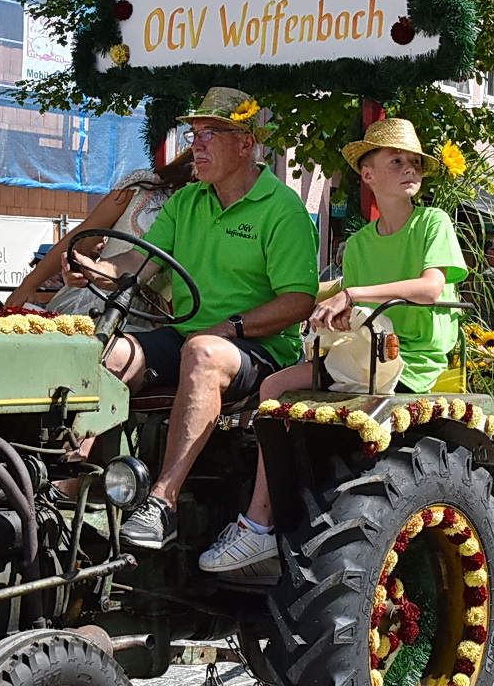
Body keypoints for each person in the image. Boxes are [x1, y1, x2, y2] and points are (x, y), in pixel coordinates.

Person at [199, 117, 468, 580]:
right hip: (365, 354)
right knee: (274, 386)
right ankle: (260, 521)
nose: (410, 170)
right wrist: (320, 303)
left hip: (410, 357)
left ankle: (288, 515)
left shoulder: (432, 223)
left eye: (415, 163)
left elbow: (429, 287)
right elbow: (348, 302)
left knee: (325, 403)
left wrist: (354, 296)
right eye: (396, 161)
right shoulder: (361, 242)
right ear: (368, 175)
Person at [63, 87, 316, 549]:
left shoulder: (282, 209)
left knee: (201, 351)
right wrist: (94, 270)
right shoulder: (187, 202)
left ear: (246, 143)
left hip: (260, 350)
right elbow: (137, 267)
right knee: (102, 351)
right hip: (189, 336)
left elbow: (299, 301)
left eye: (210, 134)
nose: (195, 145)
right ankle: (71, 482)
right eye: (193, 134)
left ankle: (162, 503)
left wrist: (229, 328)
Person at [9, 151, 194, 316]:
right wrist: (28, 285)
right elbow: (83, 238)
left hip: (148, 317)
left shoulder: (209, 213)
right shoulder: (144, 186)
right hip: (93, 300)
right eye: (198, 137)